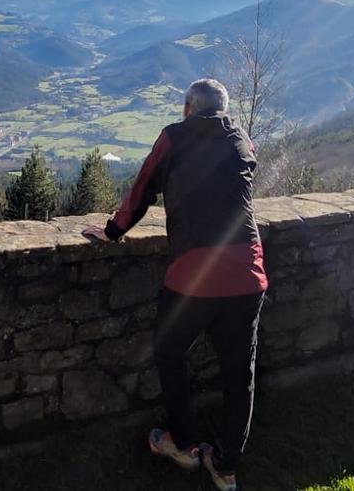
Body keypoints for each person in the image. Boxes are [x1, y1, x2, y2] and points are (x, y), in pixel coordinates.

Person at [83, 78, 267, 491]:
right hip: (248, 269)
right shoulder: (242, 138)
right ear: (223, 110)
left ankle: (183, 443)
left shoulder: (173, 137)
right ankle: (226, 465)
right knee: (240, 375)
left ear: (188, 108)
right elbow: (247, 168)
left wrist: (113, 231)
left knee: (169, 351)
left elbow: (143, 189)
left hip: (194, 271)